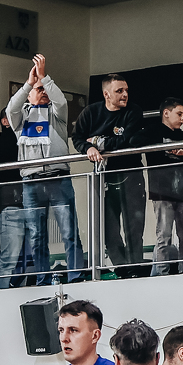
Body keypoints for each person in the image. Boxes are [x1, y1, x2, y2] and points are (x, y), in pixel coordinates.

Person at [8, 54, 83, 284]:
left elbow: (61, 101)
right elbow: (11, 109)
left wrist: (45, 78)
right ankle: (42, 279)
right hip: (31, 181)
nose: (43, 92)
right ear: (29, 95)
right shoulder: (21, 119)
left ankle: (75, 276)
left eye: (45, 89)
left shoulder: (57, 115)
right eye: (38, 89)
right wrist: (28, 83)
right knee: (37, 235)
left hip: (58, 178)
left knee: (69, 231)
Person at [74, 74, 147, 278]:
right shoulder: (91, 112)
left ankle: (135, 270)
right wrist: (88, 148)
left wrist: (97, 142)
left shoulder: (133, 111)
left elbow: (128, 141)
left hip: (131, 176)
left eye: (126, 90)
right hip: (103, 179)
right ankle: (122, 269)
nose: (125, 95)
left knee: (134, 229)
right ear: (106, 94)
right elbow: (77, 138)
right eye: (119, 91)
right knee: (108, 230)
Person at [142, 98, 183, 275]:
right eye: (179, 114)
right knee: (164, 236)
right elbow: (135, 141)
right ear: (166, 113)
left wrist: (182, 155)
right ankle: (162, 273)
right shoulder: (152, 131)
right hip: (161, 192)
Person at [0, 112, 31, 288]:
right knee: (9, 259)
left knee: (32, 258)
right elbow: (6, 162)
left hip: (31, 203)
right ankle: (1, 293)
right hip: (10, 204)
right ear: (4, 121)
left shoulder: (25, 139)